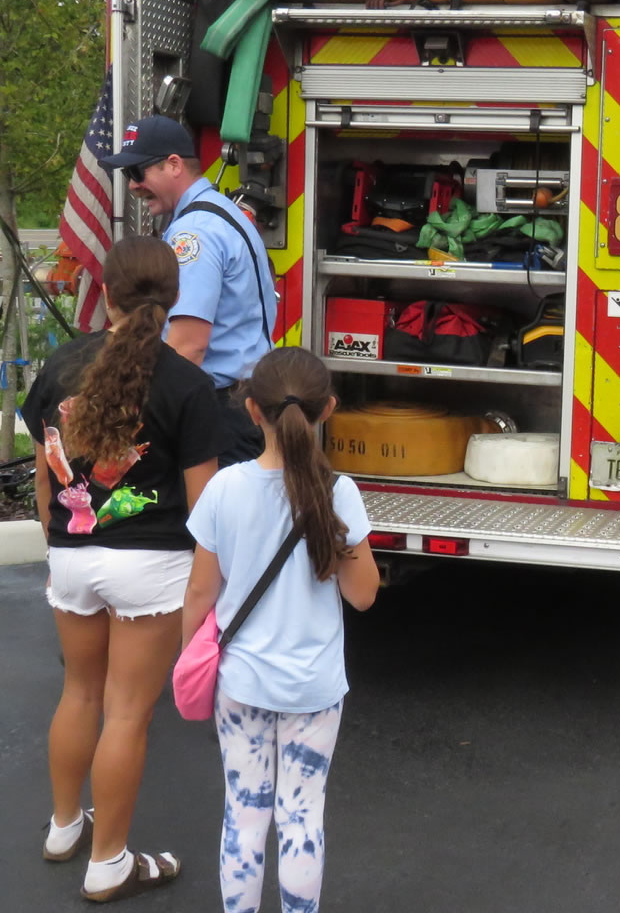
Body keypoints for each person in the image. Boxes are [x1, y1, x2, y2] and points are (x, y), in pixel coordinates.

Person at [22, 236, 224, 900]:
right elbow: (204, 506)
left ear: (105, 293)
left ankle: (63, 828)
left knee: (78, 693)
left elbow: (44, 478)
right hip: (151, 567)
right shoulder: (189, 385)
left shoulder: (60, 365)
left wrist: (57, 545)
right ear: (173, 298)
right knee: (127, 714)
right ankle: (109, 863)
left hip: (70, 555)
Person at [180, 347, 381, 913]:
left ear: (252, 410)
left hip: (241, 682)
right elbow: (363, 595)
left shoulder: (225, 488)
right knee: (302, 816)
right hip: (314, 687)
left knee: (243, 816)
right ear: (328, 410)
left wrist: (188, 657)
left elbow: (200, 593)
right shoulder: (338, 492)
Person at [98, 114, 276, 466]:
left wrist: (140, 411)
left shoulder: (193, 234)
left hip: (219, 409)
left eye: (137, 172)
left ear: (174, 165)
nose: (132, 185)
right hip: (241, 402)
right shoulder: (220, 212)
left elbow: (187, 346)